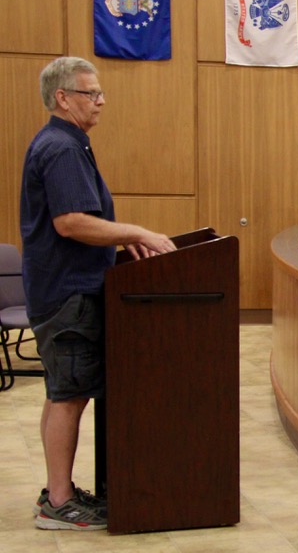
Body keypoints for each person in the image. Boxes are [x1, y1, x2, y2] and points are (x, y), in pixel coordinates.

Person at [21, 57, 176, 530]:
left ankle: (58, 490)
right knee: (69, 396)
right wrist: (137, 231)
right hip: (69, 294)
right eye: (92, 93)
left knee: (62, 394)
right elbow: (70, 222)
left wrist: (117, 235)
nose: (102, 101)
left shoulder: (66, 143)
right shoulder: (62, 148)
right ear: (63, 98)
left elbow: (81, 218)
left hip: (60, 291)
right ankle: (59, 503)